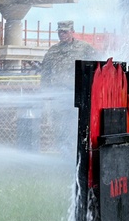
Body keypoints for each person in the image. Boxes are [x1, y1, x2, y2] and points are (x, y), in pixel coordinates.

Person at [40, 21, 98, 151]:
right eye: (60, 31)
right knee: (59, 126)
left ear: (72, 31)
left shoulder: (84, 48)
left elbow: (97, 67)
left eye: (65, 31)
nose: (62, 34)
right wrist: (44, 93)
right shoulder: (52, 51)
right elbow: (45, 74)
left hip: (77, 95)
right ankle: (63, 153)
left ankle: (77, 152)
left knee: (76, 126)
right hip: (58, 96)